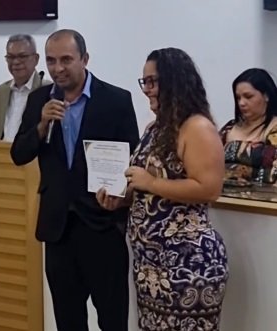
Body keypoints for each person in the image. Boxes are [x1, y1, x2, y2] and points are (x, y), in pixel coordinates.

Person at [10, 29, 139, 331]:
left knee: (112, 319)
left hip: (102, 226)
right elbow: (18, 154)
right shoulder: (39, 100)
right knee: (68, 321)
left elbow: (131, 160)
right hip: (58, 229)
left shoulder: (116, 100)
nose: (58, 68)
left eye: (66, 60)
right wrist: (41, 125)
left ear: (85, 59)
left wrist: (122, 196)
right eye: (52, 61)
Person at [97, 47, 229, 331]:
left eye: (153, 82)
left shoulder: (197, 128)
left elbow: (209, 188)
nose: (147, 90)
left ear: (176, 81)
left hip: (189, 265)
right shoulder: (153, 130)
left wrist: (151, 182)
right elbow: (144, 188)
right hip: (150, 268)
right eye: (144, 82)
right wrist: (121, 200)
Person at [220, 68, 277, 185]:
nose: (241, 103)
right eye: (238, 98)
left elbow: (273, 173)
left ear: (266, 96)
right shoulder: (229, 128)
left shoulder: (274, 128)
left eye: (248, 96)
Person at [0, 34, 50, 141]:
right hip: (0, 154)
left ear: (36, 59)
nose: (16, 62)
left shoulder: (47, 89)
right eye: (11, 57)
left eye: (22, 56)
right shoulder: (1, 91)